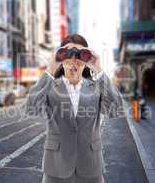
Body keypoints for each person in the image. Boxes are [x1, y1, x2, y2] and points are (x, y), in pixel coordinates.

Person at [21, 34, 124, 183]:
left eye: (80, 55)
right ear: (61, 58)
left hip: (91, 166)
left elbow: (116, 109)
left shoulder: (96, 87)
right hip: (56, 167)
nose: (73, 62)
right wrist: (50, 69)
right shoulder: (50, 86)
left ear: (87, 59)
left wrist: (99, 69)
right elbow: (30, 109)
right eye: (67, 55)